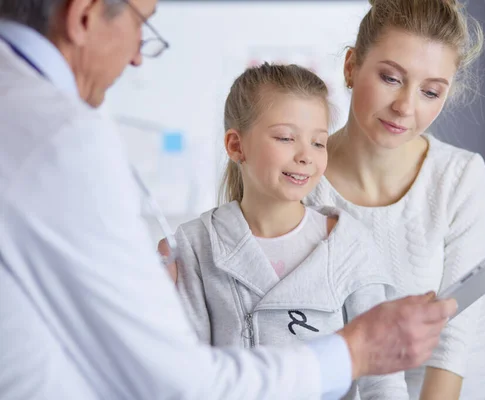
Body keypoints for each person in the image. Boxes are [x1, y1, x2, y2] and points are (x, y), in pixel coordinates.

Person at [0, 1, 457, 399]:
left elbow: (385, 387)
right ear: (84, 15)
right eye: (143, 23)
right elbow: (178, 378)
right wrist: (354, 351)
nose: (139, 56)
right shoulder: (68, 143)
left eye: (319, 142)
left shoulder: (351, 245)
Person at [303, 0, 485, 399]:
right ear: (351, 66)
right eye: (391, 78)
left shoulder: (460, 177)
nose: (405, 107)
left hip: (480, 376)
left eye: (431, 91)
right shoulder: (300, 179)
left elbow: (454, 341)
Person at [168, 62, 410, 399]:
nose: (305, 157)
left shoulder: (349, 244)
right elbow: (185, 370)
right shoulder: (196, 244)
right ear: (237, 145)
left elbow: (382, 377)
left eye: (318, 143)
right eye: (285, 138)